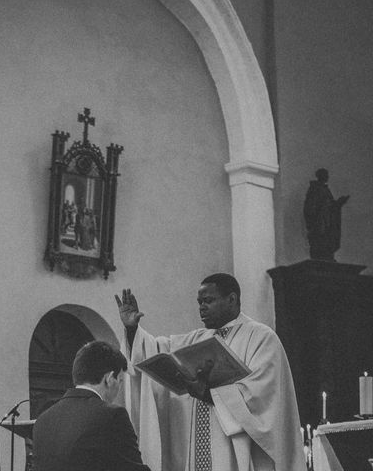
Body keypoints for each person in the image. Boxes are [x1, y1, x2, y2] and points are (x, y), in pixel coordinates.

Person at [116, 274, 307, 471]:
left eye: (208, 301)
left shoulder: (261, 337)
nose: (202, 307)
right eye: (199, 302)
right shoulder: (197, 338)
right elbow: (154, 351)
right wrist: (132, 330)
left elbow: (263, 396)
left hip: (235, 451)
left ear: (231, 299)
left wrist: (208, 394)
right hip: (195, 449)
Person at [32, 340, 151, 471]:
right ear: (110, 379)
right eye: (120, 381)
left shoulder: (42, 420)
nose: (120, 387)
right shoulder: (112, 416)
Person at [303, 168, 350, 261]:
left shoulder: (325, 189)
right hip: (319, 223)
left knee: (327, 241)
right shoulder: (314, 189)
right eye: (326, 175)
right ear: (320, 176)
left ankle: (327, 255)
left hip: (327, 223)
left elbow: (330, 206)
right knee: (320, 240)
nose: (327, 177)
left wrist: (338, 203)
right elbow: (310, 207)